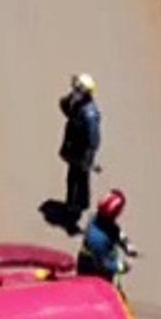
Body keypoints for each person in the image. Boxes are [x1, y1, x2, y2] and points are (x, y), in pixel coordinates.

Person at [58, 73, 101, 217]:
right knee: (80, 178)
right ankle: (82, 203)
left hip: (81, 152)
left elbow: (93, 139)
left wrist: (88, 159)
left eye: (78, 88)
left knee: (75, 179)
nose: (75, 90)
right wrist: (71, 98)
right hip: (74, 147)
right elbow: (64, 107)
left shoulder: (90, 114)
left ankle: (72, 207)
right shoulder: (77, 103)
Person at [76, 189, 139, 284]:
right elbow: (104, 265)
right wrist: (124, 266)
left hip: (99, 262)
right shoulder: (97, 239)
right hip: (93, 275)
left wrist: (126, 243)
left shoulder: (99, 218)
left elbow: (114, 230)